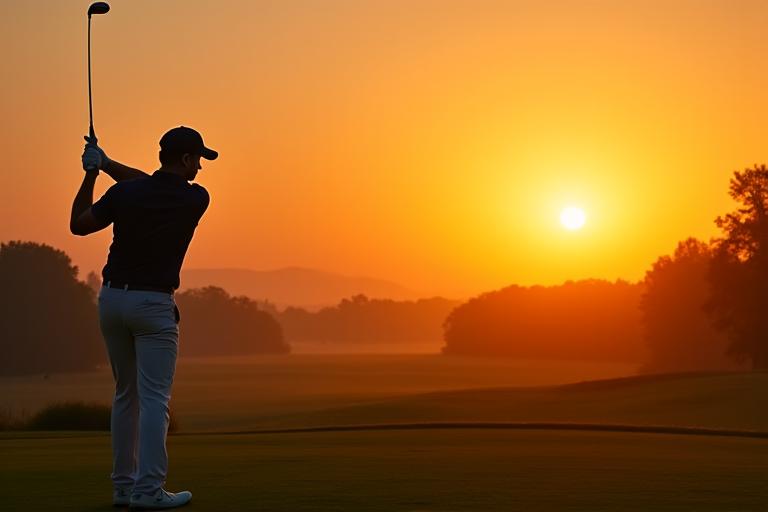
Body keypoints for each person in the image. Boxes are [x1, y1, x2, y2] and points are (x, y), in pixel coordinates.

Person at [70, 126, 217, 510]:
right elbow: (148, 185)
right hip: (153, 304)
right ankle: (148, 490)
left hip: (112, 300)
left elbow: (79, 223)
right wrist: (105, 166)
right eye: (198, 160)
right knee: (154, 399)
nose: (200, 168)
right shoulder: (196, 198)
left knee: (126, 395)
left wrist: (95, 170)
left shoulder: (126, 194)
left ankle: (123, 487)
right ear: (185, 159)